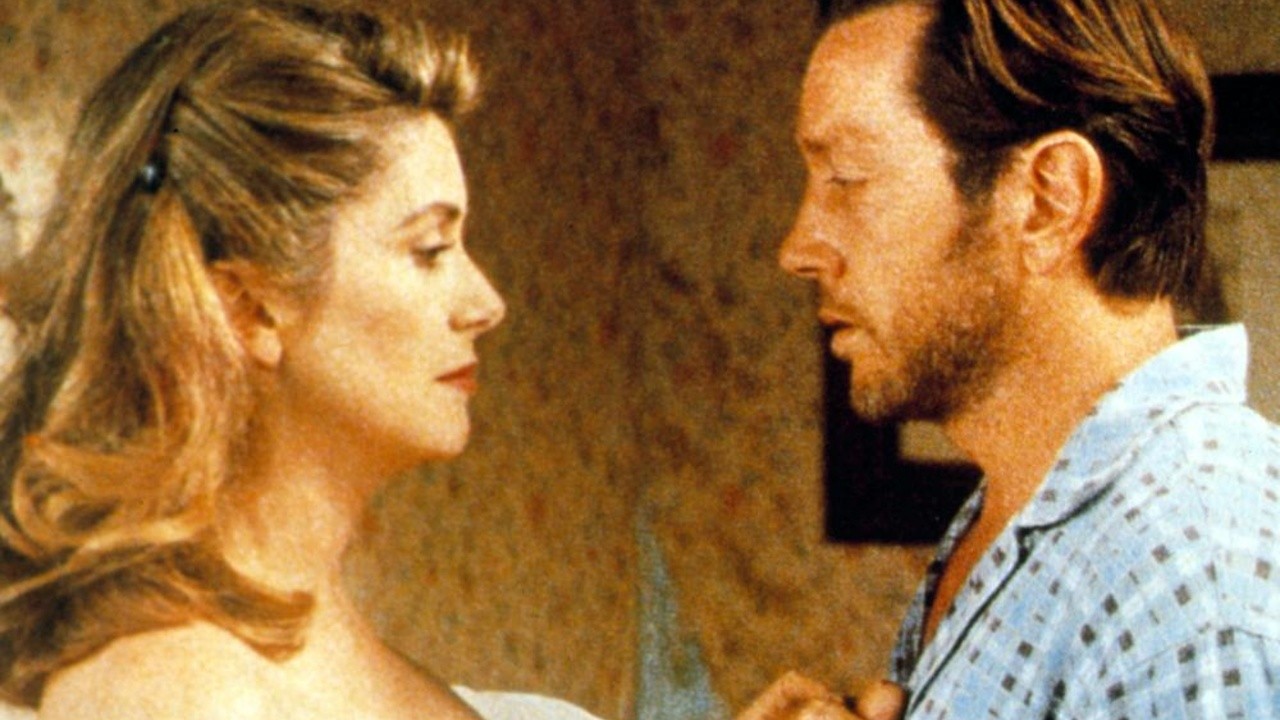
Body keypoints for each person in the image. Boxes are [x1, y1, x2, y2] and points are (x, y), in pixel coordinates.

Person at [0, 3, 600, 719]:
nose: (486, 303)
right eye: (430, 250)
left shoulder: (310, 666)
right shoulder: (184, 694)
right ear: (249, 308)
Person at [741, 0, 1280, 718]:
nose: (798, 249)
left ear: (1050, 201)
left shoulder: (1192, 576)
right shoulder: (1030, 507)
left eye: (847, 176)